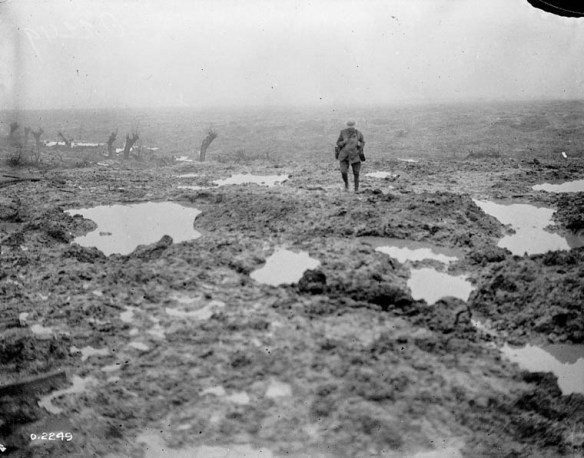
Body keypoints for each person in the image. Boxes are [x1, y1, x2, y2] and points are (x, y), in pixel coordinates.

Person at [336, 120, 365, 192]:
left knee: (356, 173)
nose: (351, 127)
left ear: (354, 125)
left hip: (355, 155)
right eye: (349, 126)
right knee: (343, 172)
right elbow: (338, 143)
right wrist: (343, 142)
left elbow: (363, 142)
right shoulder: (343, 132)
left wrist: (360, 146)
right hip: (344, 155)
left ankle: (356, 189)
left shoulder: (358, 133)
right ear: (347, 125)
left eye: (352, 126)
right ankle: (346, 184)